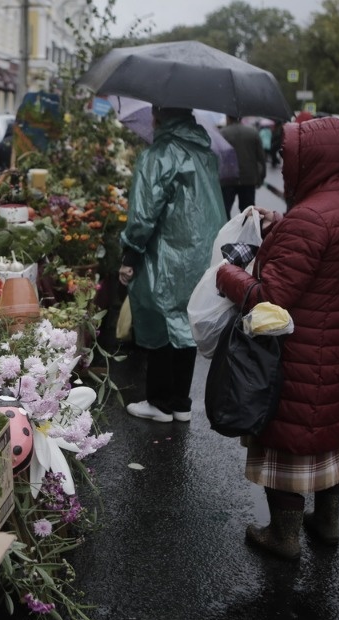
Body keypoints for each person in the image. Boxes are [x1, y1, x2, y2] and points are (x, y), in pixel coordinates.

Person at [215, 117, 339, 561]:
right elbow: (320, 246)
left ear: (314, 160)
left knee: (289, 438)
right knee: (323, 433)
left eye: (291, 158)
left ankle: (283, 536)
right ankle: (327, 522)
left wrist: (226, 275)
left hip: (299, 352)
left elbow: (271, 297)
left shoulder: (310, 218)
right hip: (335, 351)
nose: (285, 166)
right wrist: (282, 224)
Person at [119, 106, 227, 423]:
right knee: (185, 320)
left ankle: (160, 402)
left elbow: (143, 213)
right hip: (201, 250)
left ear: (158, 116)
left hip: (166, 251)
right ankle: (180, 402)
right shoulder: (205, 152)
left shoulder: (159, 154)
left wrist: (130, 254)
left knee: (161, 320)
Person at [219, 115, 267, 218]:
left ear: (228, 118)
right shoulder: (253, 132)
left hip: (227, 178)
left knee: (224, 211)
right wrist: (261, 177)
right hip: (248, 179)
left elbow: (216, 157)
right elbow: (261, 158)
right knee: (248, 213)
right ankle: (247, 228)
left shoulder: (222, 133)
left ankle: (228, 228)